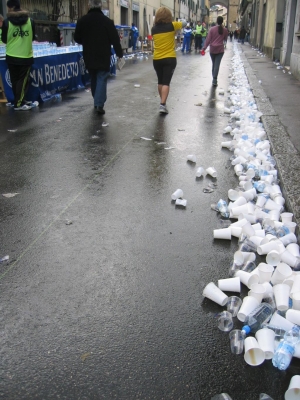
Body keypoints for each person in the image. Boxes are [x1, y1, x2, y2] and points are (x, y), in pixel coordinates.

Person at [74, 0, 123, 115]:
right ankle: (99, 104)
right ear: (100, 6)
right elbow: (115, 39)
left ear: (89, 6)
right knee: (102, 77)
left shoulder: (82, 21)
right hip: (103, 54)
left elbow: (76, 38)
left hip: (88, 54)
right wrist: (119, 53)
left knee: (94, 77)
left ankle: (97, 100)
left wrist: (86, 41)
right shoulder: (107, 21)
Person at [1, 0, 35, 110]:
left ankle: (18, 100)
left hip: (11, 54)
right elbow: (33, 37)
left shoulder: (6, 22)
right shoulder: (30, 21)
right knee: (22, 80)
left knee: (15, 79)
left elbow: (4, 39)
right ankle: (19, 103)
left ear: (11, 7)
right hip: (25, 55)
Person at [151, 7, 186, 114]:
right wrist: (178, 21)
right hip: (169, 58)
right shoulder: (172, 26)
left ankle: (163, 103)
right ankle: (162, 104)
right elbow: (184, 23)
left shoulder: (153, 29)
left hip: (157, 59)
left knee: (160, 81)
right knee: (166, 82)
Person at [201, 16, 228, 87]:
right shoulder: (224, 30)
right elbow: (225, 39)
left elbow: (208, 39)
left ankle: (214, 77)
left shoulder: (212, 29)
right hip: (220, 50)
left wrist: (204, 48)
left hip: (212, 49)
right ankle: (215, 79)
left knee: (214, 64)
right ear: (222, 21)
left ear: (216, 21)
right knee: (217, 64)